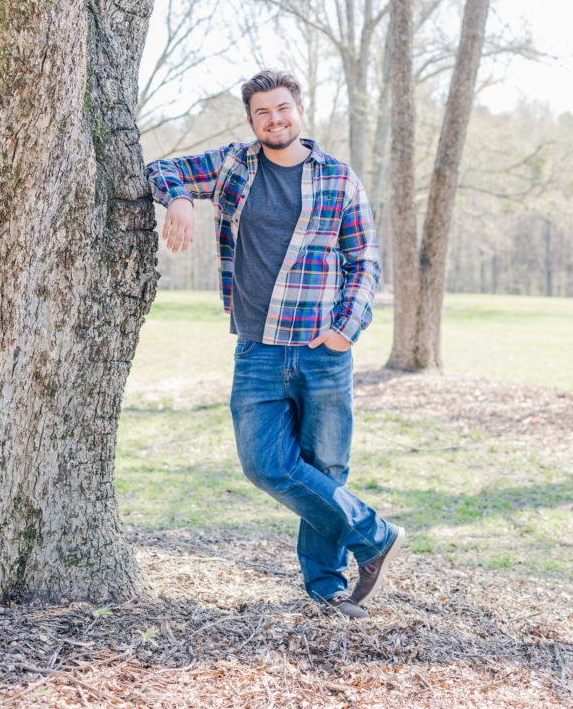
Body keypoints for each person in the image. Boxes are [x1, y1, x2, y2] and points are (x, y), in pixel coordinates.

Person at [146, 69, 404, 619]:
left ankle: (328, 587)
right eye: (262, 112)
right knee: (264, 465)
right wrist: (180, 200)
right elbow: (161, 168)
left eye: (282, 108)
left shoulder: (338, 178)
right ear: (251, 120)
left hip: (323, 352)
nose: (274, 119)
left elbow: (365, 263)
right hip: (256, 350)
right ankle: (373, 534)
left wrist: (345, 329)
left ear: (299, 110)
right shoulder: (235, 166)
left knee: (326, 468)